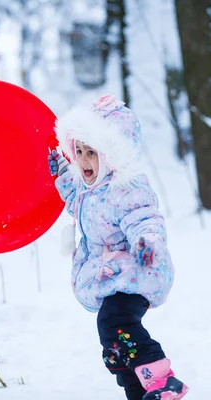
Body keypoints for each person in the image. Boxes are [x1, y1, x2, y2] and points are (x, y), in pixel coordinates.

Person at [48, 94, 189, 400]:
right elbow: (75, 201)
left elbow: (145, 218)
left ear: (112, 154)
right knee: (113, 346)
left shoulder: (127, 187)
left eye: (92, 153)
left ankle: (162, 380)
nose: (84, 160)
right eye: (80, 151)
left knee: (115, 323)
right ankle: (139, 393)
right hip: (111, 279)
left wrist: (147, 242)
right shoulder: (89, 190)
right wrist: (61, 171)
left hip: (137, 273)